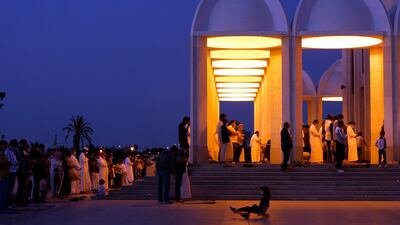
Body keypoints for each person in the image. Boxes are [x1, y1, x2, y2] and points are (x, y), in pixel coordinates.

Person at [5, 139, 19, 208]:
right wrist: (14, 163)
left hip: (14, 171)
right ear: (11, 145)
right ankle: (7, 203)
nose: (15, 148)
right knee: (9, 188)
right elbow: (8, 162)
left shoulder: (12, 152)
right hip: (10, 171)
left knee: (11, 188)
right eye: (14, 146)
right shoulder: (7, 152)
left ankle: (9, 202)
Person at [0, 140, 10, 209]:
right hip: (1, 174)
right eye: (4, 146)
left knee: (4, 191)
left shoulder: (4, 155)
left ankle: (3, 204)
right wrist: (7, 164)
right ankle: (1, 205)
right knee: (1, 191)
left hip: (6, 174)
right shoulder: (0, 155)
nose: (6, 147)